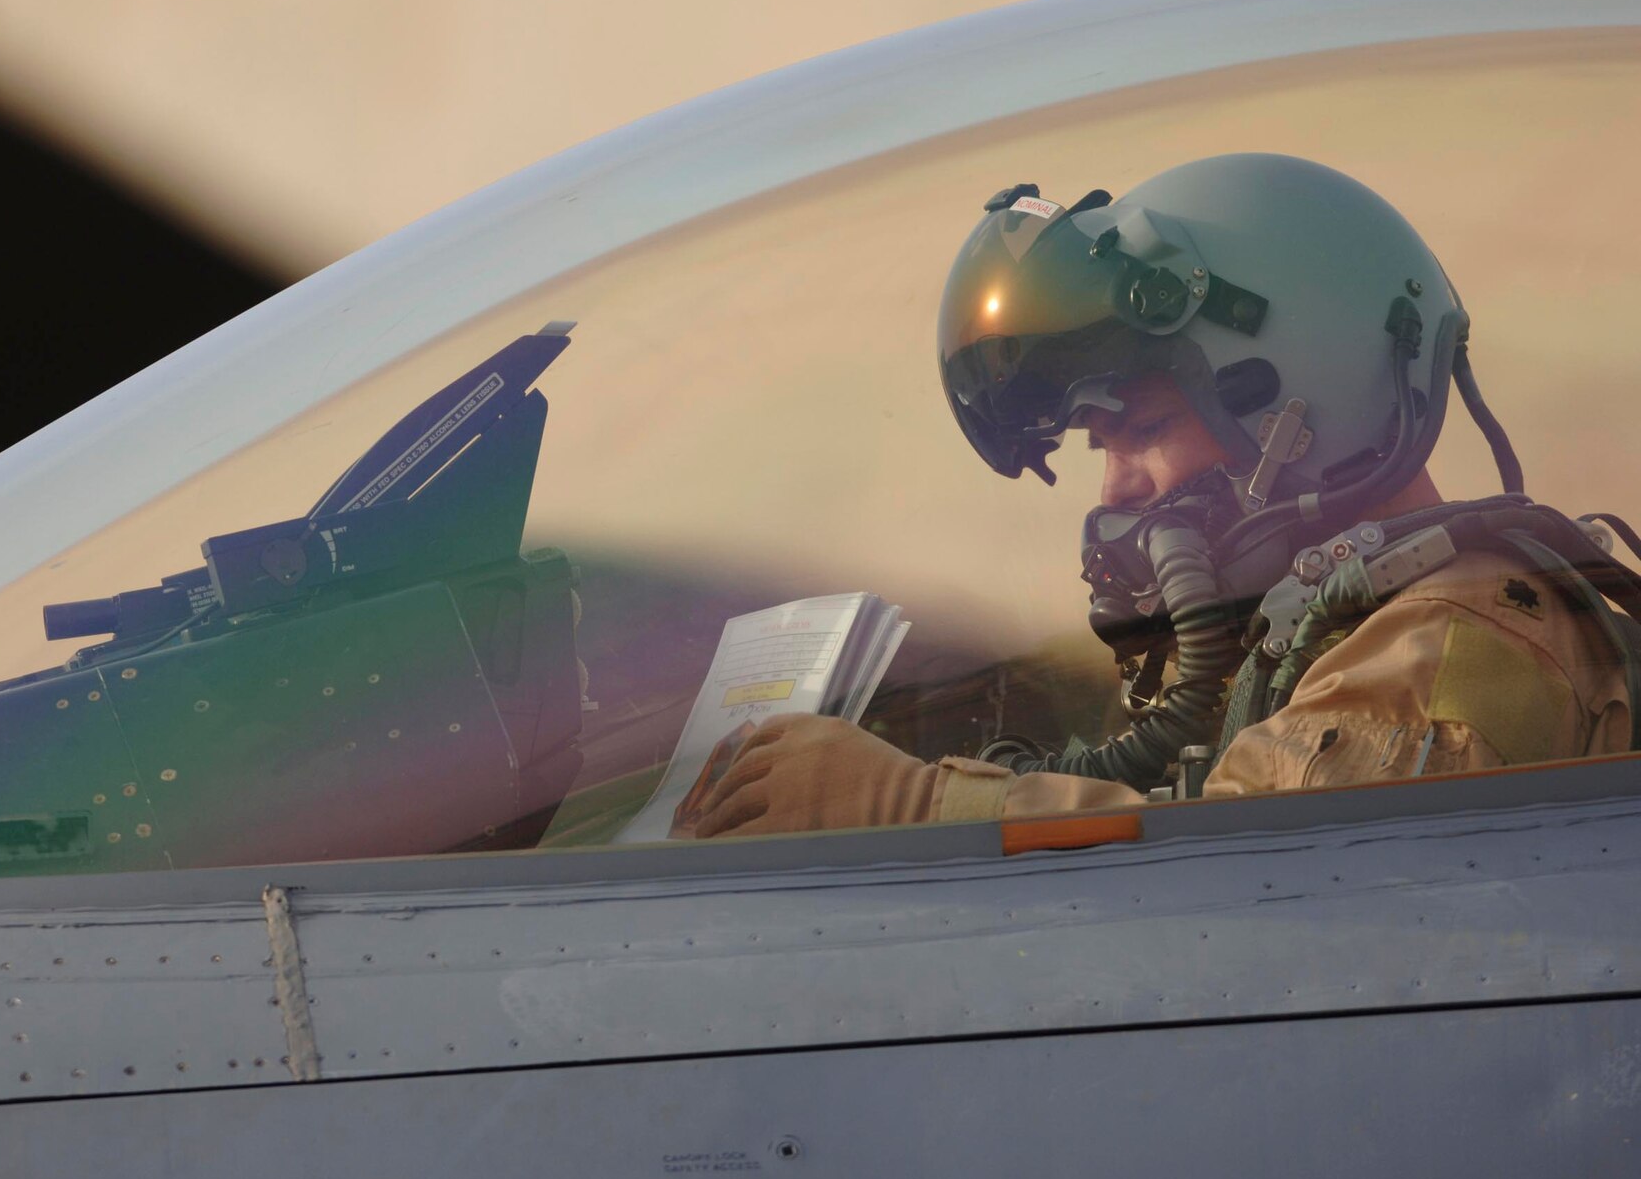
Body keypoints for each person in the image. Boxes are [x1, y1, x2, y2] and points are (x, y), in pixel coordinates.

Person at [674, 154, 1639, 839]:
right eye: (1102, 445)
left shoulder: (1449, 647)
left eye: (1141, 432)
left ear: (1304, 404)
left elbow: (1248, 899)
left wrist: (907, 806)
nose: (1116, 489)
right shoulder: (1320, 632)